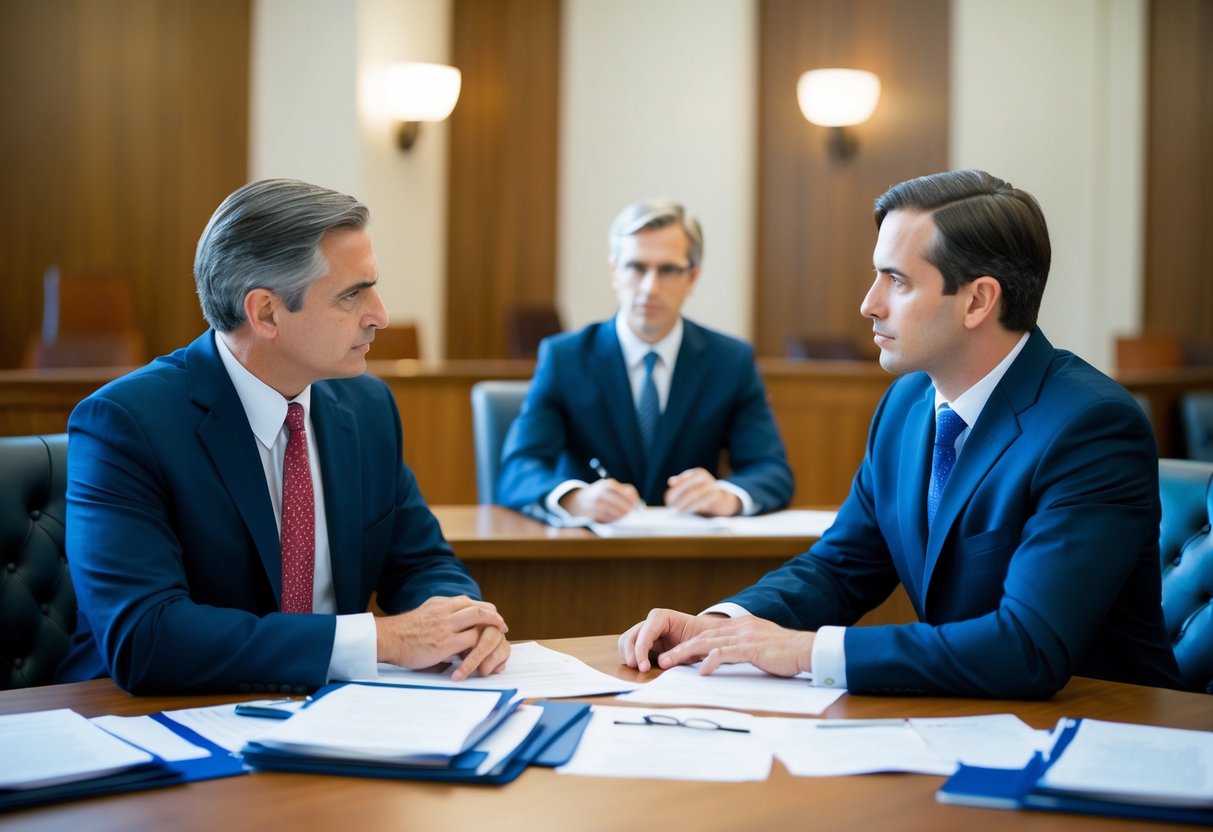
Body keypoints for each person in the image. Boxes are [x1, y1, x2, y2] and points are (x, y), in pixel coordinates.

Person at [620, 169, 1182, 698]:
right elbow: (839, 567)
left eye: (897, 280)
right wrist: (720, 625)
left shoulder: (1091, 426)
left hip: (1104, 729)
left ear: (978, 300)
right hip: (967, 719)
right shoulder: (907, 404)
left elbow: (1027, 647)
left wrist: (806, 651)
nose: (869, 304)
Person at [57, 179, 510, 694]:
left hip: (333, 716)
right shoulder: (125, 424)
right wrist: (378, 640)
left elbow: (422, 562)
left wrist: (460, 620)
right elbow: (147, 638)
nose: (379, 315)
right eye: (352, 295)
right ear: (266, 312)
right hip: (150, 722)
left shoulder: (367, 407)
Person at [497, 199, 794, 524]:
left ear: (692, 278)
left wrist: (727, 496)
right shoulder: (565, 358)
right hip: (586, 553)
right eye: (636, 267)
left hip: (690, 556)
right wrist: (575, 497)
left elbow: (772, 470)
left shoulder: (730, 361)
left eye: (667, 270)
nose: (650, 287)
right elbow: (518, 468)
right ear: (615, 272)